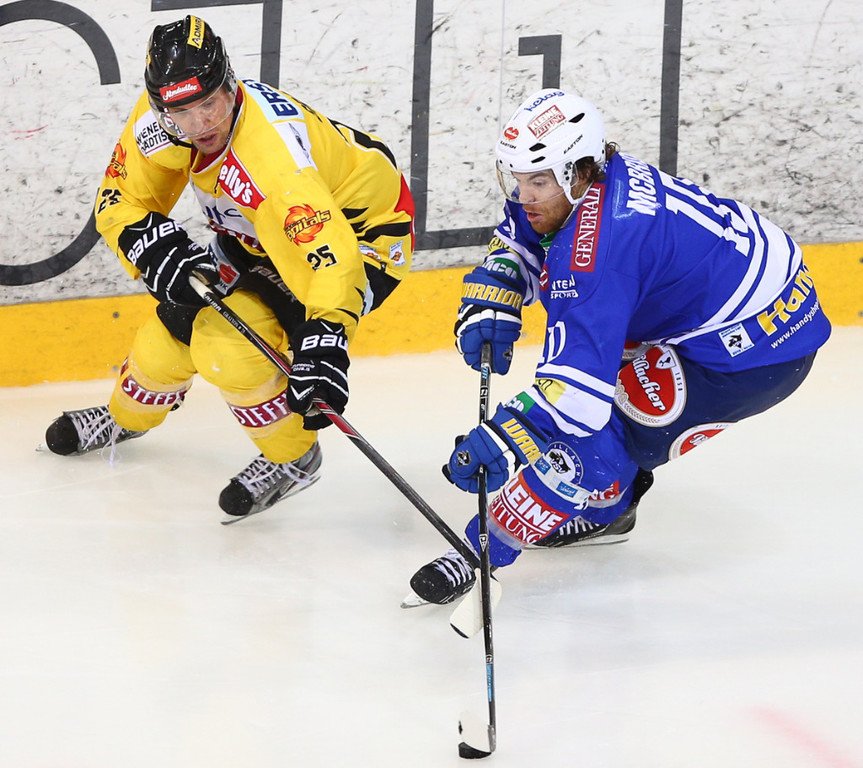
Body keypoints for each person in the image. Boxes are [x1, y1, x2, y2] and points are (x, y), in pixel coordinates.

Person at [408, 87, 831, 605]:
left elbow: (578, 401)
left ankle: (499, 543)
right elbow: (525, 232)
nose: (524, 195)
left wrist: (507, 434)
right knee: (601, 388)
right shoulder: (588, 184)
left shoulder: (595, 254)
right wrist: (501, 281)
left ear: (580, 172)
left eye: (538, 181)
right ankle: (609, 493)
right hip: (731, 301)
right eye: (518, 179)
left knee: (593, 437)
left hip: (751, 349)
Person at [44, 15, 414, 518]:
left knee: (228, 349)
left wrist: (327, 335)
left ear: (230, 84)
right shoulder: (162, 119)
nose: (200, 125)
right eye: (181, 112)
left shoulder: (273, 163)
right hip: (259, 235)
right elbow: (123, 197)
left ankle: (294, 456)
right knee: (171, 330)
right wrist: (147, 243)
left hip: (359, 241)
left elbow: (330, 258)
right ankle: (126, 417)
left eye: (209, 105)